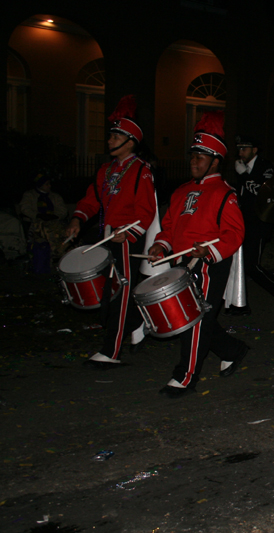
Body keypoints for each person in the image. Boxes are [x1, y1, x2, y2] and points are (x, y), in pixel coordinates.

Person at [148, 111, 247, 399]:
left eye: (200, 157)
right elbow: (168, 228)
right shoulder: (180, 192)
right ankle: (232, 349)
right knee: (193, 317)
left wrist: (209, 251)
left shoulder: (224, 194)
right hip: (181, 264)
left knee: (196, 319)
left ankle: (186, 375)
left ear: (215, 161)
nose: (193, 161)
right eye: (192, 156)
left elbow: (234, 234)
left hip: (207, 265)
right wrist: (161, 246)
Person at [65, 95, 156, 369]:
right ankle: (140, 320)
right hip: (107, 235)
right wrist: (78, 220)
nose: (109, 140)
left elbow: (146, 210)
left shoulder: (141, 171)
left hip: (127, 238)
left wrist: (128, 233)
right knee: (111, 294)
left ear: (131, 140)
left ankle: (111, 350)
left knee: (122, 294)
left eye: (116, 136)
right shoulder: (105, 170)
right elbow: (92, 200)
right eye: (111, 135)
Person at [227, 135, 274, 316]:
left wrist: (244, 175)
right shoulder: (241, 166)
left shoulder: (265, 167)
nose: (240, 152)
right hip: (242, 221)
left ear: (255, 150)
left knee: (251, 265)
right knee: (238, 264)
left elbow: (261, 192)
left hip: (259, 222)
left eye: (244, 148)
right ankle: (239, 304)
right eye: (239, 148)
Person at [19, 170, 68, 271]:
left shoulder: (54, 196)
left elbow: (63, 210)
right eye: (46, 184)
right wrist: (39, 215)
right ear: (40, 185)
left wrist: (54, 216)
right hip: (36, 222)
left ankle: (62, 254)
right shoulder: (30, 195)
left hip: (53, 222)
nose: (49, 186)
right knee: (46, 231)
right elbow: (25, 209)